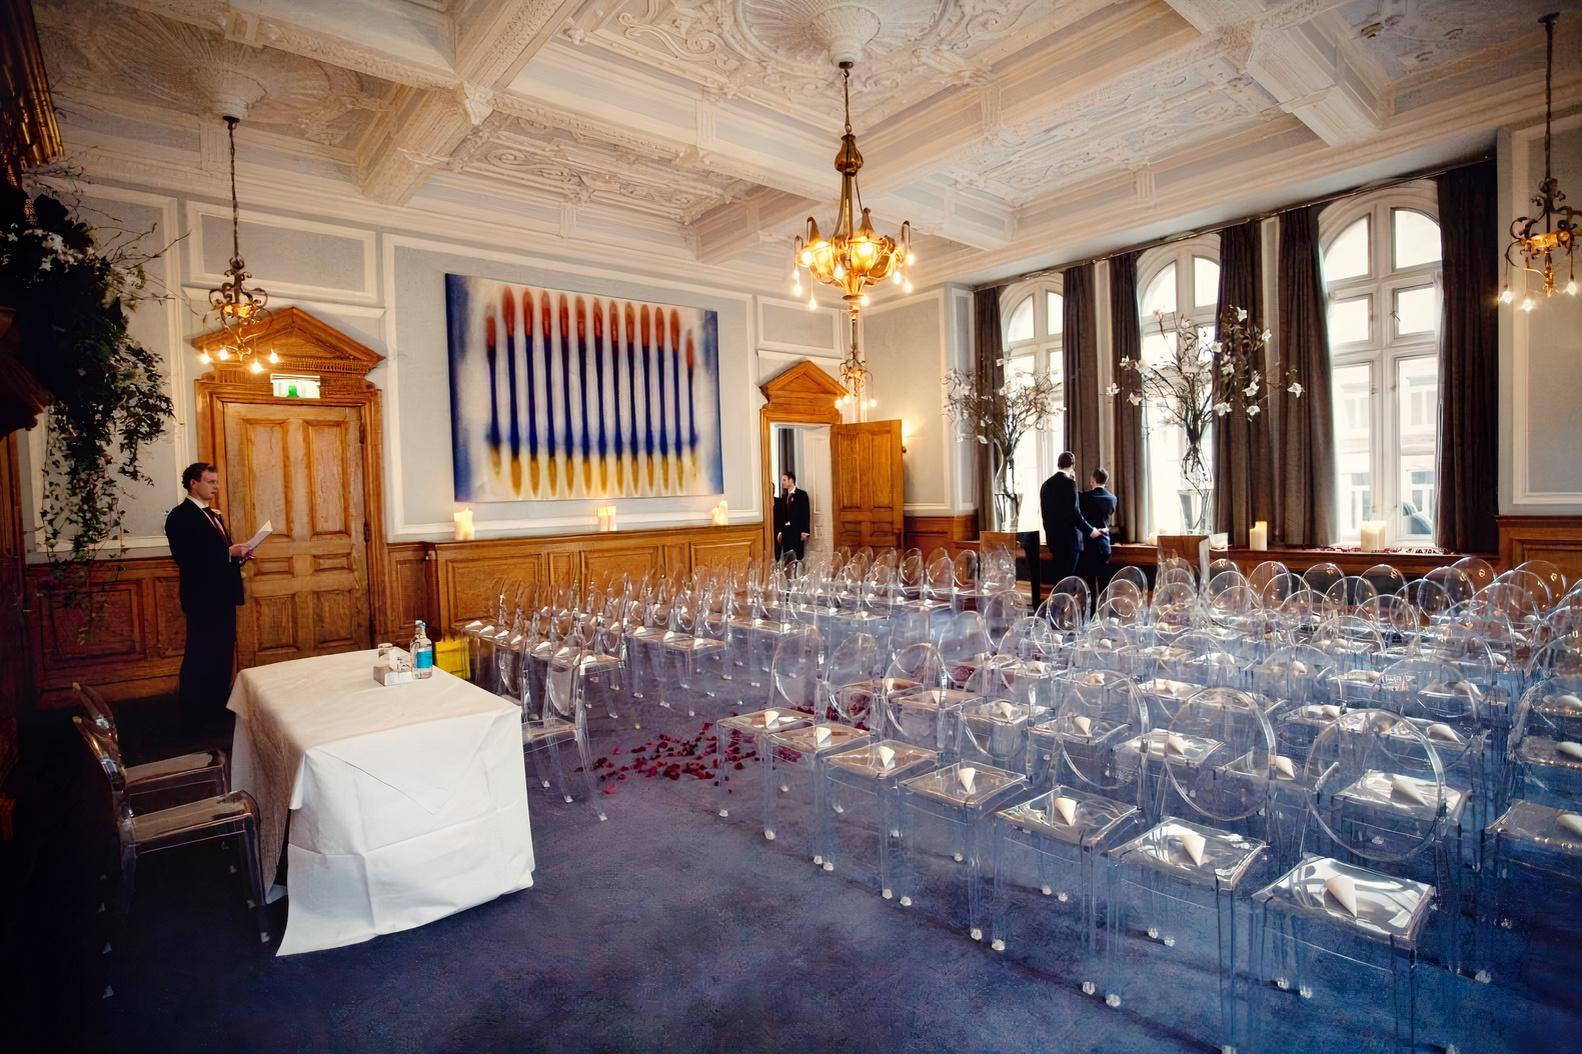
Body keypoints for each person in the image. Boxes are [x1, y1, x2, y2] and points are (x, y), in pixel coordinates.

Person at [165, 462, 253, 732]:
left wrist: (237, 557)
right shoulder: (180, 516)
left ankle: (216, 706)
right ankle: (193, 712)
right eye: (210, 482)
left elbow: (217, 554)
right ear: (194, 483)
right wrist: (228, 553)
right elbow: (187, 557)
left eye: (216, 482)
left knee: (222, 652)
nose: (216, 487)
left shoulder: (213, 515)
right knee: (200, 652)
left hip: (222, 595)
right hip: (202, 597)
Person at [1040, 451, 1104, 583]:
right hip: (1070, 541)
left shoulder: (1046, 485)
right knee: (1068, 580)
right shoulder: (1069, 484)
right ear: (1073, 465)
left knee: (1059, 580)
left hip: (1053, 540)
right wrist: (1091, 530)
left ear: (1058, 464)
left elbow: (1045, 514)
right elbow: (1075, 514)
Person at [1077, 467, 1117, 604]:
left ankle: (1092, 612)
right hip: (1104, 545)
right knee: (1104, 583)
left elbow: (1079, 518)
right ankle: (1104, 612)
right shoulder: (1112, 498)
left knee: (1089, 585)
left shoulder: (1084, 498)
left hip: (1089, 544)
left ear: (1092, 480)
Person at [776, 471, 811, 563]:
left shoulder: (802, 494)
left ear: (791, 480)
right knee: (787, 559)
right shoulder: (784, 496)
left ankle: (797, 572)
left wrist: (805, 531)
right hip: (786, 533)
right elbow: (782, 516)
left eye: (784, 480)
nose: (782, 482)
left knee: (797, 557)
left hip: (797, 532)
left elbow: (805, 513)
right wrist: (780, 531)